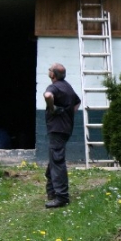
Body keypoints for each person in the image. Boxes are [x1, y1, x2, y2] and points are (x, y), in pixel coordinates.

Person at [43, 63, 81, 208]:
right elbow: (77, 102)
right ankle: (51, 192)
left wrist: (52, 108)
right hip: (66, 128)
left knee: (57, 161)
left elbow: (47, 96)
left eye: (49, 69)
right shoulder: (67, 86)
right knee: (54, 158)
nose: (48, 71)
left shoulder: (54, 87)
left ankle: (62, 197)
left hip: (57, 129)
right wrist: (69, 114)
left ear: (53, 75)